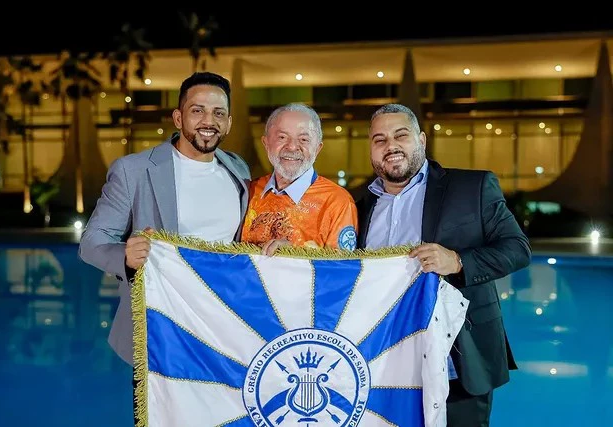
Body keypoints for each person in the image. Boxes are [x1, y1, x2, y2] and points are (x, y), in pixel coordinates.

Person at [355, 103, 531, 427]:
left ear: (421, 140)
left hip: (458, 359)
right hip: (383, 364)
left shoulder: (471, 188)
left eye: (401, 135)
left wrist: (458, 261)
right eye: (379, 139)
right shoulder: (358, 206)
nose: (390, 146)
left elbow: (517, 248)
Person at [78, 71, 251, 367]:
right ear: (178, 118)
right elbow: (91, 242)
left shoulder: (238, 170)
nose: (209, 121)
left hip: (222, 332)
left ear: (229, 122)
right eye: (197, 111)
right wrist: (126, 258)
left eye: (218, 113)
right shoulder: (133, 171)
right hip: (160, 330)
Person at [241, 103, 358, 255]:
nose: (292, 147)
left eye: (303, 139)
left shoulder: (337, 202)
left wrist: (294, 254)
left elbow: (341, 267)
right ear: (266, 143)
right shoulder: (249, 191)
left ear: (318, 149)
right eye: (282, 137)